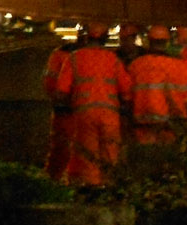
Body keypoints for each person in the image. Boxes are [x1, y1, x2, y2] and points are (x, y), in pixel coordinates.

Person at [51, 19, 132, 187]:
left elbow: (61, 92)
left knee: (88, 155)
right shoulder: (113, 59)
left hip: (84, 115)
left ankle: (91, 190)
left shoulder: (73, 58)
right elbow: (127, 91)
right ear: (106, 38)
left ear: (86, 37)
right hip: (110, 115)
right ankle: (109, 189)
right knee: (110, 153)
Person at [126, 24, 187, 145]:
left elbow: (127, 96)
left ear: (149, 41)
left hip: (142, 123)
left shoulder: (136, 65)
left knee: (146, 154)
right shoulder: (177, 66)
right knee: (168, 154)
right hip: (170, 123)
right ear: (167, 42)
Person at [41, 29, 78, 182]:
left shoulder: (59, 55)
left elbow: (49, 84)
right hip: (78, 111)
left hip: (64, 110)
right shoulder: (92, 57)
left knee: (61, 148)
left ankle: (54, 180)